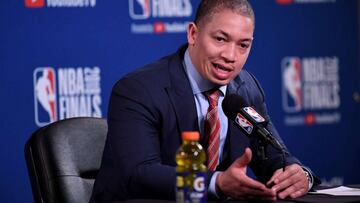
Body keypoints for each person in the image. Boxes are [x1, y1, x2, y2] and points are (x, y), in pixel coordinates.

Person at [90, 0, 320, 202]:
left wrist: (300, 174)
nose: (231, 56)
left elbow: (274, 157)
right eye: (220, 39)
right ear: (193, 34)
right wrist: (216, 183)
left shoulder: (246, 88)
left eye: (243, 45)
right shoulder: (139, 89)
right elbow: (139, 174)